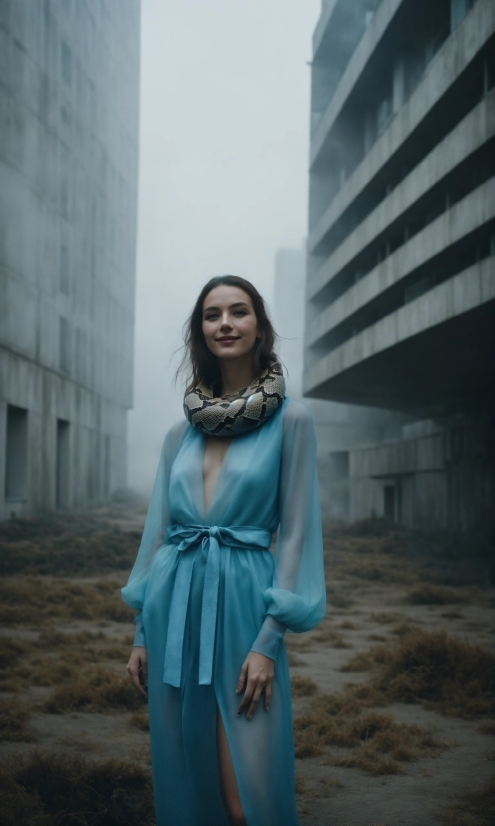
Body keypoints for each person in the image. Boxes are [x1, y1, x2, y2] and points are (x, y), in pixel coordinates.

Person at [123, 275, 326, 826]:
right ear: (201, 330)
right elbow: (158, 535)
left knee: (246, 799)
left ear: (259, 325)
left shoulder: (294, 421)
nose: (226, 324)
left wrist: (269, 640)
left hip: (243, 610)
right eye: (213, 315)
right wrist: (142, 630)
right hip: (173, 608)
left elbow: (298, 534)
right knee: (189, 778)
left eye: (239, 312)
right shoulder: (177, 435)